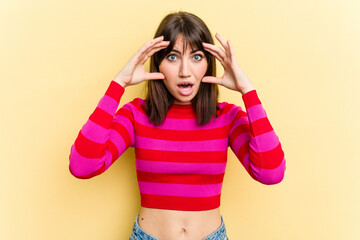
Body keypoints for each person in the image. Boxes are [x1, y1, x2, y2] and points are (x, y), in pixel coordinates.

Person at [69, 11, 286, 240]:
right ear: (158, 63)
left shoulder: (227, 117)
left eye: (196, 57)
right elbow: (83, 166)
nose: (185, 71)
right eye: (173, 57)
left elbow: (271, 173)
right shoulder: (136, 115)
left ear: (209, 63)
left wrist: (247, 91)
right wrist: (118, 84)